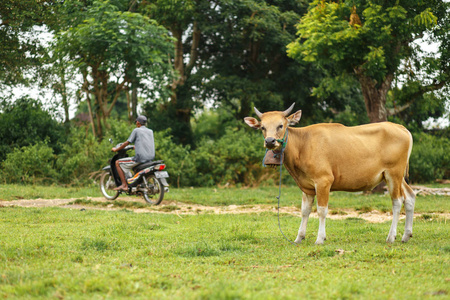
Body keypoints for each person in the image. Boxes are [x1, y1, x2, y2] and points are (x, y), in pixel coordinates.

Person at [111, 115, 155, 191]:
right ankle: (137, 184)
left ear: (138, 122)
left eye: (136, 122)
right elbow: (146, 142)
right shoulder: (150, 131)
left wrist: (116, 149)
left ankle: (124, 185)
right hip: (150, 158)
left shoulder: (136, 130)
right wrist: (135, 146)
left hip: (140, 158)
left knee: (117, 162)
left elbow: (126, 143)